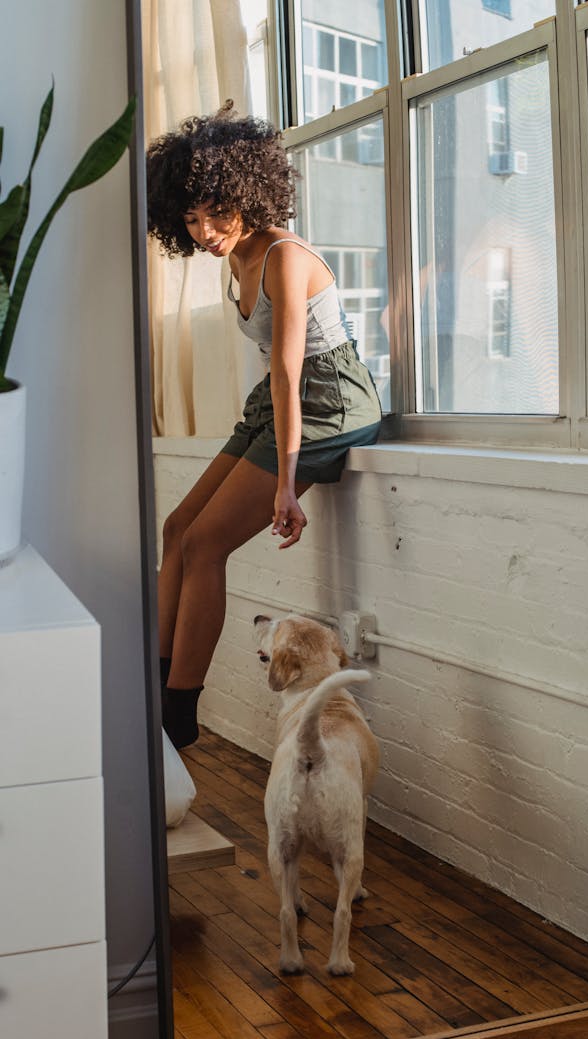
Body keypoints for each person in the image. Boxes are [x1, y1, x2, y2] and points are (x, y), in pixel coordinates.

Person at [146, 103, 382, 749]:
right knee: (176, 529)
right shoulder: (234, 254)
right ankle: (152, 687)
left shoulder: (282, 254)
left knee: (205, 544)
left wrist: (285, 483)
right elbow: (274, 383)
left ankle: (177, 713)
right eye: (190, 218)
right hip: (277, 399)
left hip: (329, 402)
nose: (204, 230)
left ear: (246, 192)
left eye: (214, 212)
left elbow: (287, 370)